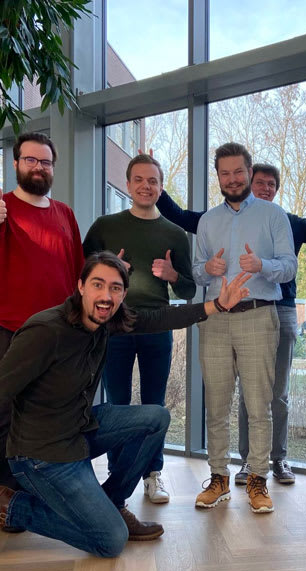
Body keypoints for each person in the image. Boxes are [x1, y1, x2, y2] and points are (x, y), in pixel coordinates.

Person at [0, 251, 251, 560]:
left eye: (115, 288)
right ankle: (8, 505)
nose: (106, 295)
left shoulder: (106, 321)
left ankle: (112, 502)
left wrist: (218, 305)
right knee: (111, 540)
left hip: (79, 432)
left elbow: (158, 318)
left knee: (156, 418)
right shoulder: (45, 331)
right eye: (98, 284)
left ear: (123, 294)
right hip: (41, 456)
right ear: (80, 286)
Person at [156, 162, 306, 485]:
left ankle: (279, 458)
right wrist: (156, 187)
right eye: (260, 182)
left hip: (278, 310)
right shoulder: (216, 220)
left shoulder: (285, 221)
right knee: (243, 396)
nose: (265, 188)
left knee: (275, 393)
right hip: (222, 313)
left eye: (271, 184)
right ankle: (245, 462)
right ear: (247, 181)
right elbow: (182, 217)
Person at [0, 132, 84, 491]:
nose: (38, 167)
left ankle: (45, 494)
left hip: (57, 332)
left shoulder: (65, 214)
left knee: (52, 414)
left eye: (45, 162)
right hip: (7, 329)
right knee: (5, 413)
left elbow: (77, 271)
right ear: (16, 163)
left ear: (54, 167)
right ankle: (3, 504)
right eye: (30, 160)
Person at [83, 154, 196, 504]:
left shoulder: (175, 233)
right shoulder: (105, 226)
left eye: (153, 181)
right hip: (113, 326)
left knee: (155, 404)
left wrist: (172, 275)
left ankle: (152, 474)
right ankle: (118, 479)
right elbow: (84, 274)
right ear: (128, 184)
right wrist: (113, 270)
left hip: (157, 327)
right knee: (116, 405)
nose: (146, 186)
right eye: (139, 180)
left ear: (161, 187)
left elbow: (189, 290)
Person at [192, 143, 296, 513]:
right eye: (225, 173)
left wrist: (261, 265)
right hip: (215, 319)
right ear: (218, 176)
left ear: (250, 173)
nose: (232, 179)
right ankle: (218, 478)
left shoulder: (272, 214)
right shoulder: (207, 221)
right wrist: (209, 271)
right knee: (216, 405)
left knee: (259, 405)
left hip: (258, 316)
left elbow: (289, 267)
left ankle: (257, 480)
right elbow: (195, 271)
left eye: (238, 172)